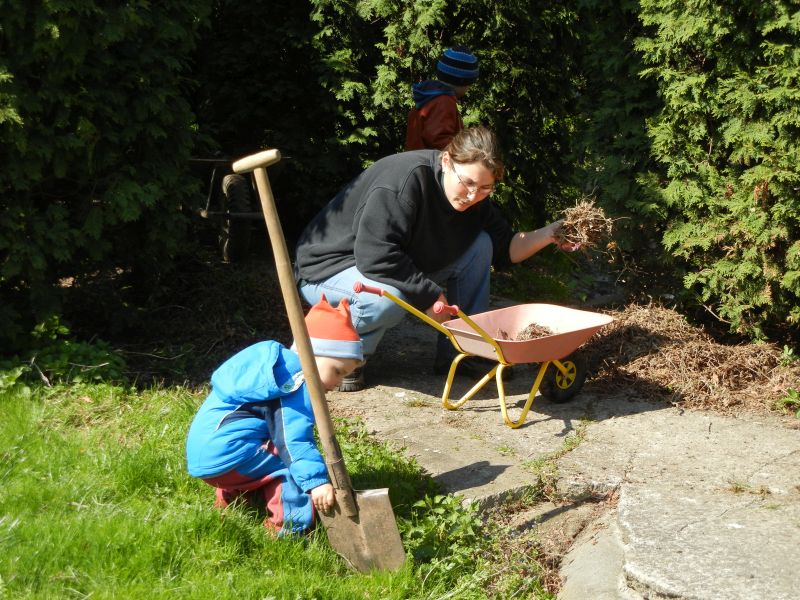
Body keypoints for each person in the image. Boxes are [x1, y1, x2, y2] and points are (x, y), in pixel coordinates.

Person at [294, 126, 577, 392]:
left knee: (481, 244)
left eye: (485, 188)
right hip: (328, 270)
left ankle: (464, 351)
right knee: (388, 300)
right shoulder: (403, 181)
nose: (472, 195)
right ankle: (344, 357)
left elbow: (506, 249)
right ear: (446, 161)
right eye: (467, 183)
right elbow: (375, 255)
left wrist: (551, 233)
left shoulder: (476, 199)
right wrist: (430, 295)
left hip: (385, 264)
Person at [185, 295, 362, 536]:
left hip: (206, 456)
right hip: (230, 458)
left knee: (257, 443)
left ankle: (232, 500)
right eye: (338, 371)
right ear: (311, 355)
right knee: (289, 466)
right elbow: (293, 441)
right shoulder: (295, 382)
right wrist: (316, 482)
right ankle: (287, 528)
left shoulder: (272, 369)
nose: (339, 381)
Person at [405, 46, 479, 151]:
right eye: (469, 85)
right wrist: (463, 152)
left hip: (418, 158)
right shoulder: (444, 102)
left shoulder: (431, 96)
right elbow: (438, 138)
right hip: (430, 160)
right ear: (462, 82)